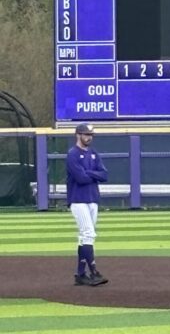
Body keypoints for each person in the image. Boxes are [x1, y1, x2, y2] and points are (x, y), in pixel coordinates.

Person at [67, 123, 109, 287]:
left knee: (84, 237)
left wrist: (90, 173)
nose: (89, 137)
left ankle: (80, 274)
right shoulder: (72, 154)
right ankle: (94, 272)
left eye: (90, 135)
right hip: (78, 199)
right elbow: (80, 178)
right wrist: (94, 175)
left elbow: (105, 175)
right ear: (78, 135)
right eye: (86, 134)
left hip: (93, 198)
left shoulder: (93, 153)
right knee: (89, 234)